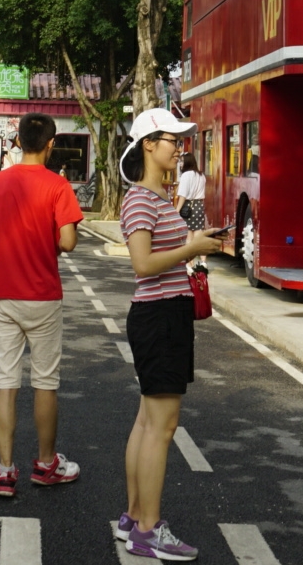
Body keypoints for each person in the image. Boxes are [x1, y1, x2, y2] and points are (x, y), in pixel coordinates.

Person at [116, 108, 223, 561]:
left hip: (165, 315)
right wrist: (191, 248)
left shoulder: (160, 199)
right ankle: (147, 530)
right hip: (159, 317)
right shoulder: (141, 199)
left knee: (147, 422)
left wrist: (195, 243)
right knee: (162, 427)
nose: (178, 147)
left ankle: (135, 517)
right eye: (171, 140)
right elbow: (142, 265)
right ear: (148, 145)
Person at [0, 113, 83, 498]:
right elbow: (67, 242)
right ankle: (46, 464)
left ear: (17, 142)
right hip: (44, 296)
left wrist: (4, 243)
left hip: (4, 296)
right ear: (50, 144)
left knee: (6, 383)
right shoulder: (58, 186)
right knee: (45, 383)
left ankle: (4, 472)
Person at [174, 152, 207, 267]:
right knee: (199, 235)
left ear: (187, 162)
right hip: (199, 206)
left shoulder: (186, 175)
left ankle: (190, 264)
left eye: (182, 161)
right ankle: (203, 262)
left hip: (188, 207)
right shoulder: (201, 175)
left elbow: (182, 195)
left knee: (188, 237)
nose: (180, 164)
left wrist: (177, 210)